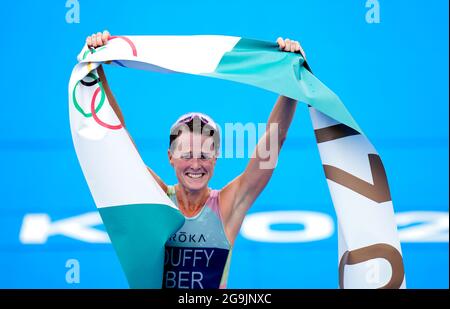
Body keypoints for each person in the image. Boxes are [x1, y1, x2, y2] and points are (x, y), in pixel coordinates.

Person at [86, 30, 306, 289]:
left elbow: (274, 141)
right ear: (170, 157)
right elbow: (117, 143)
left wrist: (290, 84)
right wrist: (97, 68)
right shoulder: (156, 199)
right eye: (187, 154)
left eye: (204, 155)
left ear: (215, 159)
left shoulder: (227, 207)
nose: (195, 164)